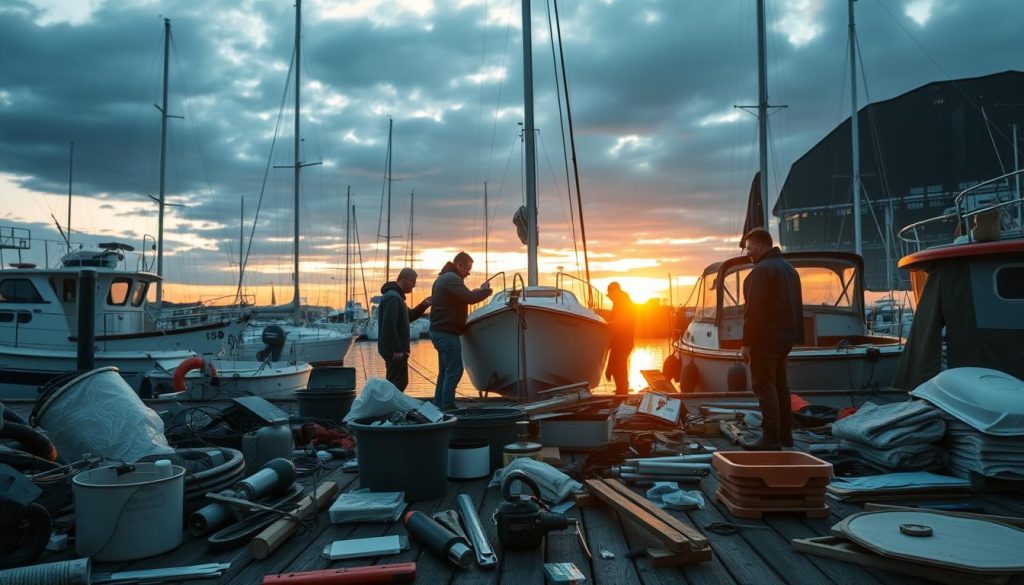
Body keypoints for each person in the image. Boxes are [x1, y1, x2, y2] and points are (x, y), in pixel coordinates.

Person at [739, 228, 804, 450]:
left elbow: (754, 312)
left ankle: (770, 438)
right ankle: (786, 435)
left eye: (748, 248)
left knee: (764, 386)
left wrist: (747, 343)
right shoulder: (790, 270)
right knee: (780, 386)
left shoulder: (761, 272)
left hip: (765, 340)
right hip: (785, 338)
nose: (747, 252)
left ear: (760, 246)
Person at [428, 252, 492, 410]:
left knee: (445, 372)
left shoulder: (444, 278)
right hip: (446, 332)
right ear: (459, 265)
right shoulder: (451, 278)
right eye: (468, 268)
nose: (468, 273)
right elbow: (469, 298)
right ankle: (448, 406)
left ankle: (439, 406)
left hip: (440, 331)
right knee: (455, 370)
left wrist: (478, 291)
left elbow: (465, 295)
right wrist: (486, 291)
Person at [377, 268, 431, 392]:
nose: (414, 285)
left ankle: (392, 408)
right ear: (404, 279)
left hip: (396, 350)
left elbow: (409, 317)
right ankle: (391, 409)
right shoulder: (393, 298)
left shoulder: (397, 297)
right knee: (397, 383)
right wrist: (396, 349)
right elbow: (389, 325)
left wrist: (424, 305)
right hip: (395, 352)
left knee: (399, 382)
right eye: (413, 282)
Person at [605, 281, 636, 395]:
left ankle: (622, 392)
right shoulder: (620, 301)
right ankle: (621, 391)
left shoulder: (623, 301)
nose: (610, 298)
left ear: (615, 291)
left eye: (610, 294)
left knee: (618, 368)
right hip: (620, 341)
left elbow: (624, 319)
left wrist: (610, 323)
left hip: (624, 341)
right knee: (617, 368)